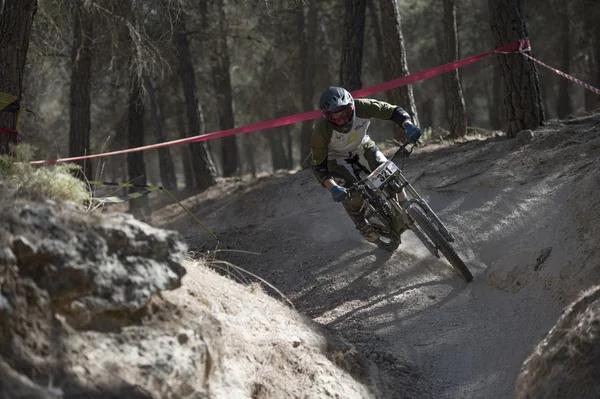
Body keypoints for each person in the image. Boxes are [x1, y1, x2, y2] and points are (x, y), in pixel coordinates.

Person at [311, 86, 421, 243]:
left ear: (351, 106)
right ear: (326, 116)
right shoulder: (321, 130)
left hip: (362, 145)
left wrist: (408, 125)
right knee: (351, 192)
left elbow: (392, 111)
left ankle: (404, 206)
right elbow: (319, 167)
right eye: (334, 116)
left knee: (389, 174)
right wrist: (333, 188)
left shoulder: (362, 106)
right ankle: (360, 222)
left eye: (343, 113)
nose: (341, 119)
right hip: (335, 157)